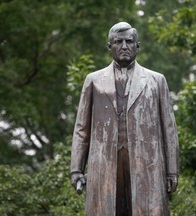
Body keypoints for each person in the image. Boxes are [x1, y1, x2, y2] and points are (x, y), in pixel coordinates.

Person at [70, 22, 179, 216]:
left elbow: (169, 130)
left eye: (129, 41)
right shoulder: (93, 81)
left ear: (137, 46)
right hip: (104, 163)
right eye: (118, 42)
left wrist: (172, 171)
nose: (124, 46)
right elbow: (81, 129)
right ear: (109, 46)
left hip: (147, 163)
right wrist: (76, 169)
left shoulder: (156, 81)